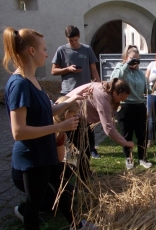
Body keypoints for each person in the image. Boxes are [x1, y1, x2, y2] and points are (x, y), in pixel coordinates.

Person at [3, 27, 86, 230]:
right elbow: (18, 131)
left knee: (62, 191)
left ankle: (79, 226)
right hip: (33, 157)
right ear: (32, 51)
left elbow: (46, 110)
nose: (47, 54)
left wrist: (71, 100)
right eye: (44, 49)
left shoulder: (32, 80)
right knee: (34, 204)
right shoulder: (19, 84)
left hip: (45, 152)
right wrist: (60, 126)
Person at [12, 96, 80, 222]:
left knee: (65, 190)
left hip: (36, 166)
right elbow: (59, 159)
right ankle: (23, 210)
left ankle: (74, 222)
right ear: (65, 114)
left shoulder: (50, 122)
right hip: (26, 171)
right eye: (74, 115)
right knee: (47, 199)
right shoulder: (57, 132)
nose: (77, 118)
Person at [51, 25, 101, 159]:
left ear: (78, 37)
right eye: (70, 40)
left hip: (85, 93)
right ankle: (72, 148)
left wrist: (98, 85)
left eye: (75, 40)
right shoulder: (61, 50)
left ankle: (92, 148)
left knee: (88, 123)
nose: (73, 42)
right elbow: (54, 70)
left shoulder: (87, 49)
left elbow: (94, 69)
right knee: (70, 123)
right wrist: (68, 69)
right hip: (68, 94)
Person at [66, 78, 135, 173]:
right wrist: (125, 143)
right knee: (84, 150)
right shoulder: (103, 97)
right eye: (121, 98)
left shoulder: (105, 88)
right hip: (69, 116)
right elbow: (108, 128)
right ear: (114, 93)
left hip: (81, 119)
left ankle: (85, 172)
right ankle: (82, 180)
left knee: (87, 147)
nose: (121, 101)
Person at [110, 45, 152, 170]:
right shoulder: (120, 68)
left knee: (142, 134)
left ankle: (142, 158)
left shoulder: (139, 73)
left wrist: (152, 87)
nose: (135, 62)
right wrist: (127, 65)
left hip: (139, 106)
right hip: (125, 106)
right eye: (133, 59)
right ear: (126, 58)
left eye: (137, 59)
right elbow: (115, 79)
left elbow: (145, 88)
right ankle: (128, 158)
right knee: (126, 134)